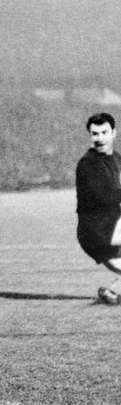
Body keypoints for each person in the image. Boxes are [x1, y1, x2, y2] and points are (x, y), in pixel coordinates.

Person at [75, 113, 121, 304]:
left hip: (112, 227)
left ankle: (112, 294)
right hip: (97, 232)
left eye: (104, 132)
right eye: (95, 134)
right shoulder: (88, 164)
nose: (100, 138)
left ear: (114, 133)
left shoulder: (117, 159)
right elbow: (105, 196)